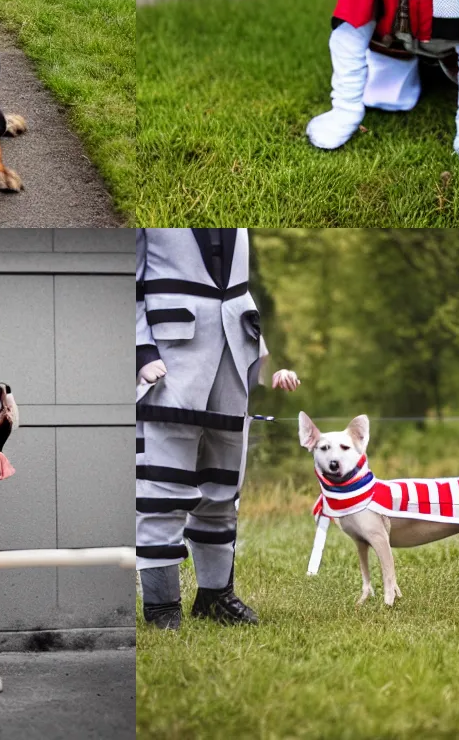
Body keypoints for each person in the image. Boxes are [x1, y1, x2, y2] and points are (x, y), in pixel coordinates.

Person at [134, 229, 298, 630]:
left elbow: (241, 293)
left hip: (233, 359)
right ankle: (161, 608)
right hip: (171, 362)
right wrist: (141, 350)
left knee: (223, 485)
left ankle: (215, 596)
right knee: (162, 488)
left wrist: (264, 360)